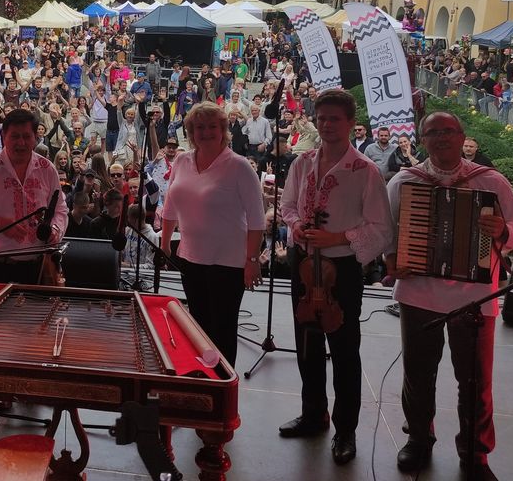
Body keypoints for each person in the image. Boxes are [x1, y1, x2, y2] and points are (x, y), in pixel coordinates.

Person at [385, 112, 513, 481]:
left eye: (448, 131)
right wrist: (391, 258)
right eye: (432, 132)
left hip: (475, 297)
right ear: (422, 140)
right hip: (419, 293)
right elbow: (386, 231)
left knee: (475, 380)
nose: (441, 137)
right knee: (418, 374)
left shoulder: (490, 180)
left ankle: (475, 453)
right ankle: (418, 439)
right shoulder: (405, 181)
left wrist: (502, 230)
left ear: (462, 136)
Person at [278, 89, 394, 465]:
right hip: (303, 263)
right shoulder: (302, 163)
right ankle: (313, 414)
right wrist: (296, 225)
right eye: (321, 118)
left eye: (334, 119)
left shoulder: (365, 170)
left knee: (344, 350)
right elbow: (288, 205)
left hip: (341, 271)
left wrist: (338, 238)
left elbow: (381, 228)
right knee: (307, 344)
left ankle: (346, 429)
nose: (327, 124)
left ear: (350, 123)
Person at [160, 103, 266, 368]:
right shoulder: (182, 161)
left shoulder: (239, 166)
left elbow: (257, 220)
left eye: (212, 127)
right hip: (190, 258)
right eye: (199, 127)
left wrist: (252, 260)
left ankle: (223, 384)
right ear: (191, 132)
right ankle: (202, 379)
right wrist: (165, 244)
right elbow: (170, 205)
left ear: (223, 130)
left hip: (228, 263)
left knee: (222, 330)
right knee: (197, 326)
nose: (206, 132)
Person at [0, 108, 68, 284]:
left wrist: (55, 230)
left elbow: (60, 209)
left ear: (35, 137)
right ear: (3, 136)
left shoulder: (47, 169)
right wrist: (0, 223)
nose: (21, 143)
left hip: (40, 267)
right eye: (15, 136)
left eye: (26, 136)